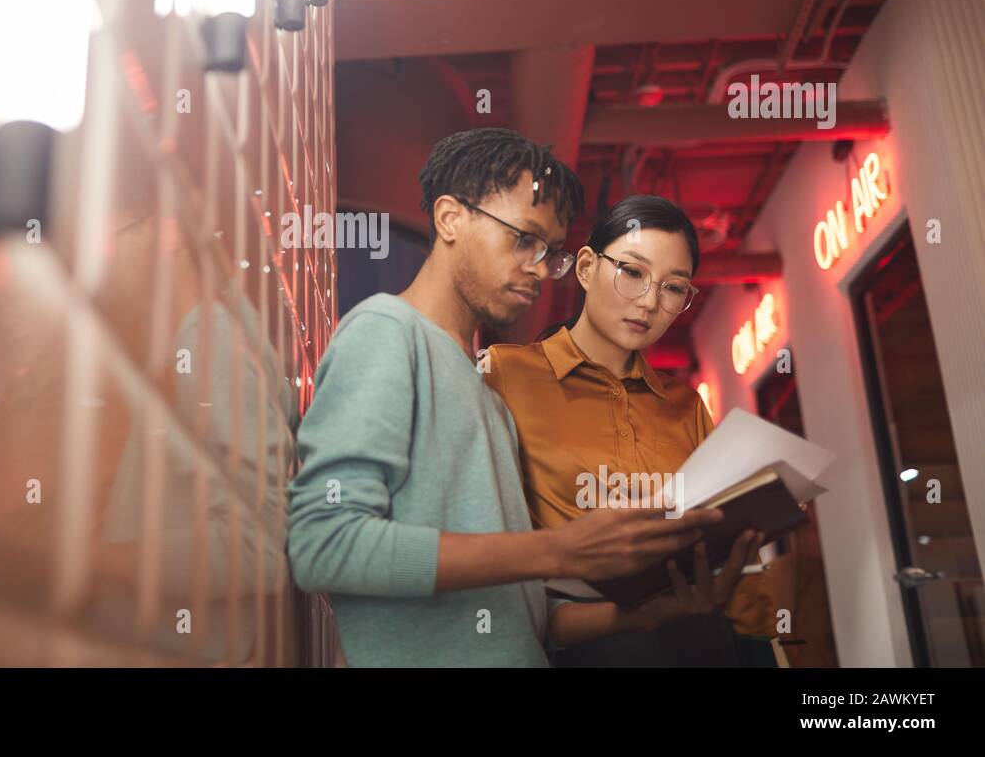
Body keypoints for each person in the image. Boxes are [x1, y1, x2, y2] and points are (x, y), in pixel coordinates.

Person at [286, 129, 727, 667]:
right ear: (450, 218)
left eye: (550, 253)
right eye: (524, 239)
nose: (541, 269)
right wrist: (558, 549)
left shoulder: (485, 392)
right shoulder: (387, 331)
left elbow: (522, 618)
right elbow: (322, 545)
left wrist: (637, 618)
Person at [483, 194, 768, 666]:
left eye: (673, 287)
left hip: (698, 642)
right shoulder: (504, 374)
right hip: (576, 648)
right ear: (587, 267)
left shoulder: (684, 405)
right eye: (632, 272)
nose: (650, 302)